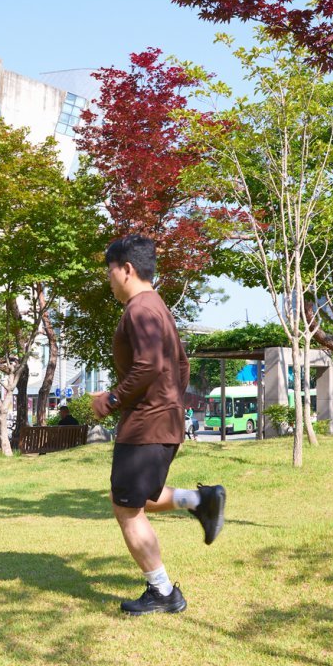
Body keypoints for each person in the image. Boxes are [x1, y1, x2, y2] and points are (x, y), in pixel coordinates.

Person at [92, 234, 226, 616]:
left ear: (127, 269)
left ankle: (163, 592)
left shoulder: (139, 310)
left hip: (146, 424)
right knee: (143, 496)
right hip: (162, 419)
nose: (110, 279)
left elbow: (148, 365)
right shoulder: (159, 308)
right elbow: (180, 366)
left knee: (126, 508)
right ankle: (201, 500)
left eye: (111, 271)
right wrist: (170, 403)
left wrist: (112, 399)